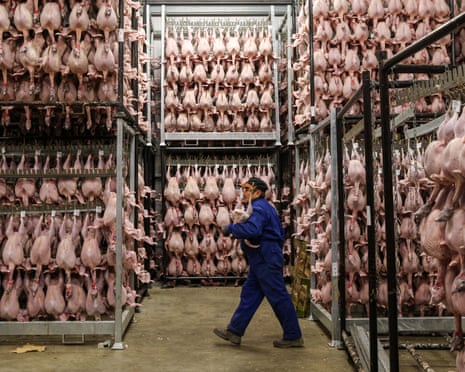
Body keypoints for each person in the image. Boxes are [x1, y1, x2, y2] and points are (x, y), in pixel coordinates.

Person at [213, 177, 303, 348]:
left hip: (265, 257)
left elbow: (254, 230)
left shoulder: (260, 207)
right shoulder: (262, 206)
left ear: (258, 192)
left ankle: (293, 336)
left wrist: (231, 228)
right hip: (261, 258)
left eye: (247, 189)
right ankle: (235, 331)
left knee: (278, 296)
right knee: (250, 295)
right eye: (243, 189)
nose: (243, 193)